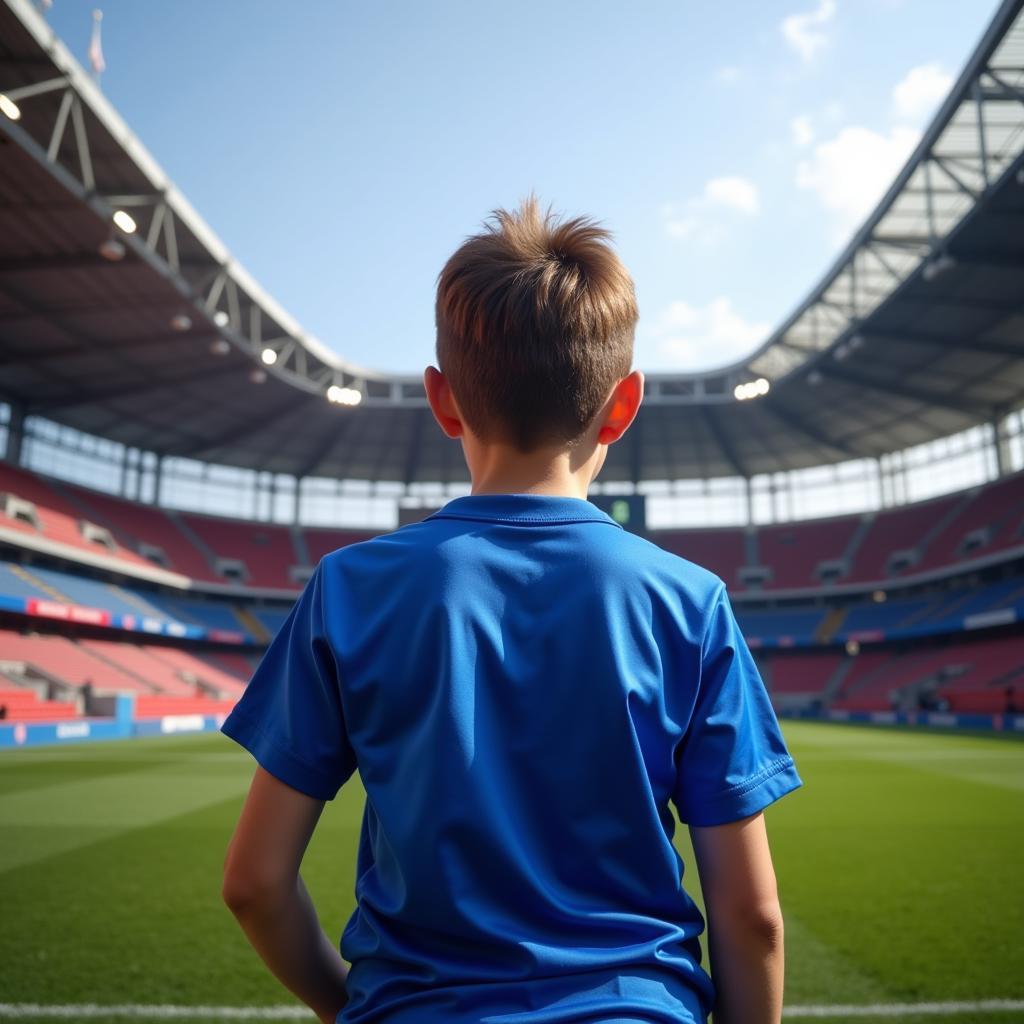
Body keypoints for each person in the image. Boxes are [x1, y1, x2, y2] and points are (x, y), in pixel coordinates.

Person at [220, 197, 802, 1024]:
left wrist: (353, 1005)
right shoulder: (691, 602)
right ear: (624, 403)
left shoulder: (349, 589)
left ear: (443, 399)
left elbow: (254, 885)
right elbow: (753, 918)